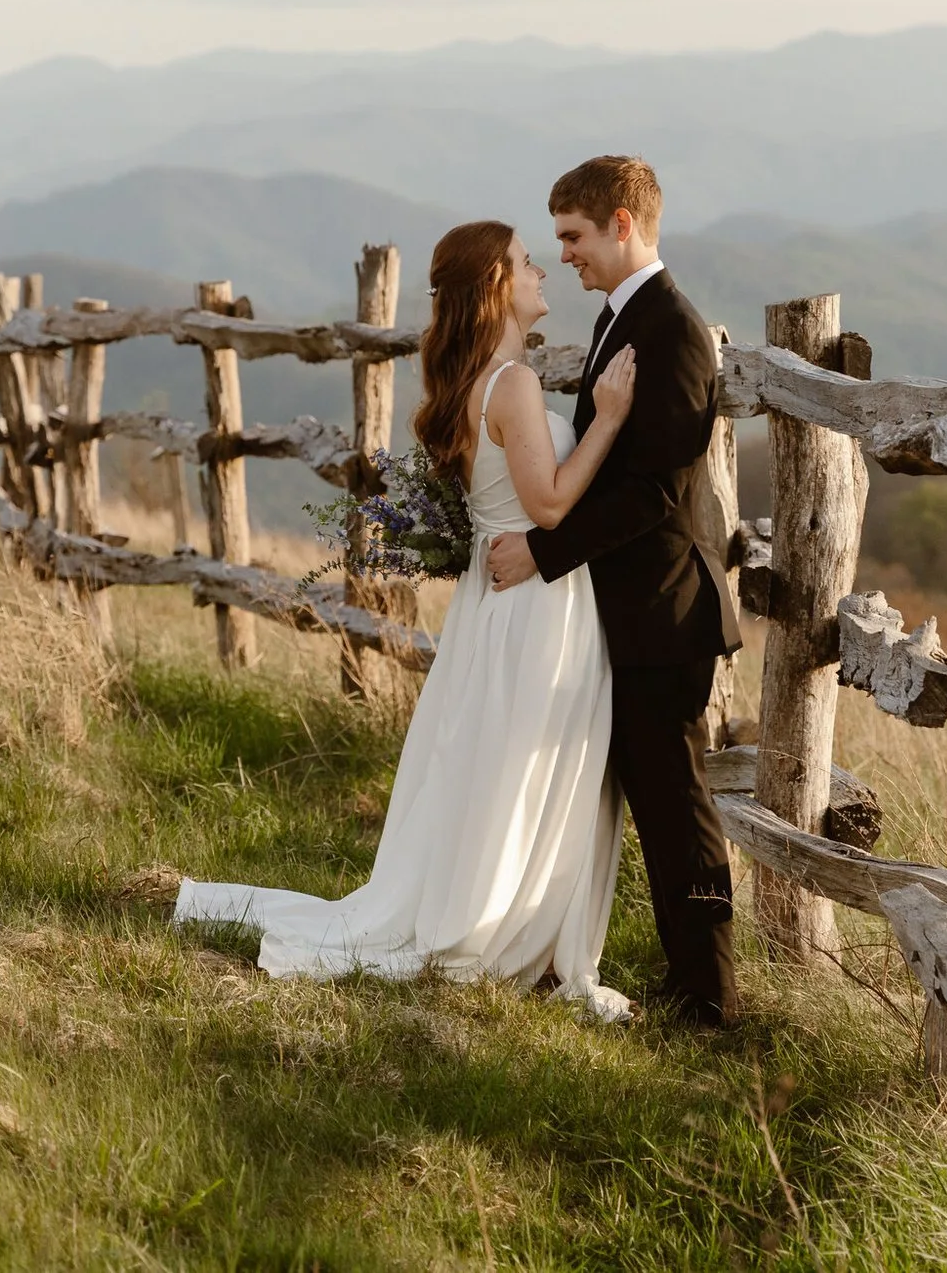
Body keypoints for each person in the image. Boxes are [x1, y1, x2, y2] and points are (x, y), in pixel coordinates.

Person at [173, 220, 642, 1022]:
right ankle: (502, 928)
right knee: (523, 770)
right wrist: (608, 416)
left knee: (502, 768)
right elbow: (552, 503)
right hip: (533, 609)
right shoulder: (514, 386)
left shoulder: (479, 384)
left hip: (501, 604)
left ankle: (514, 917)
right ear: (498, 285)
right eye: (529, 263)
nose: (543, 273)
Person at [485, 155, 744, 1029]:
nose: (564, 255)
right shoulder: (621, 316)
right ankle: (683, 980)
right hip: (628, 613)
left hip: (666, 612)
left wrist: (546, 551)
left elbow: (657, 493)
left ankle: (709, 998)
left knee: (676, 804)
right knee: (650, 800)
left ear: (623, 223)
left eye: (574, 236)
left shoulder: (672, 328)